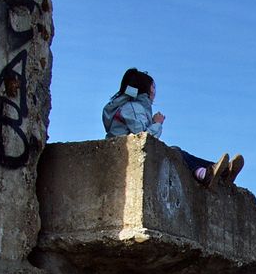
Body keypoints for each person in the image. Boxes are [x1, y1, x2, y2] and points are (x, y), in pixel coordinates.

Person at [101, 68, 243, 187]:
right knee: (176, 152)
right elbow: (143, 138)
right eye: (153, 87)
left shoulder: (135, 107)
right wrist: (157, 123)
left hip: (128, 154)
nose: (155, 91)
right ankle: (214, 172)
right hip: (123, 158)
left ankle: (213, 171)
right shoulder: (133, 107)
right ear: (145, 89)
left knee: (178, 152)